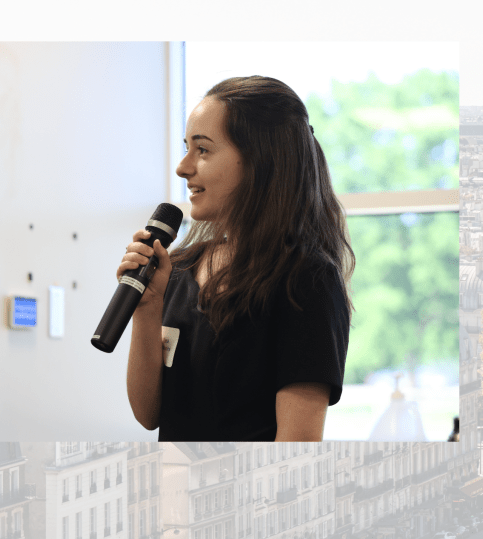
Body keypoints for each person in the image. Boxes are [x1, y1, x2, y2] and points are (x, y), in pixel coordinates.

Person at [121, 76, 355, 441]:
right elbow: (149, 413)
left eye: (203, 150)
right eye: (186, 148)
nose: (183, 167)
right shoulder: (179, 270)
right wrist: (147, 310)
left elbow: (297, 444)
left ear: (260, 161)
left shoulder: (305, 280)